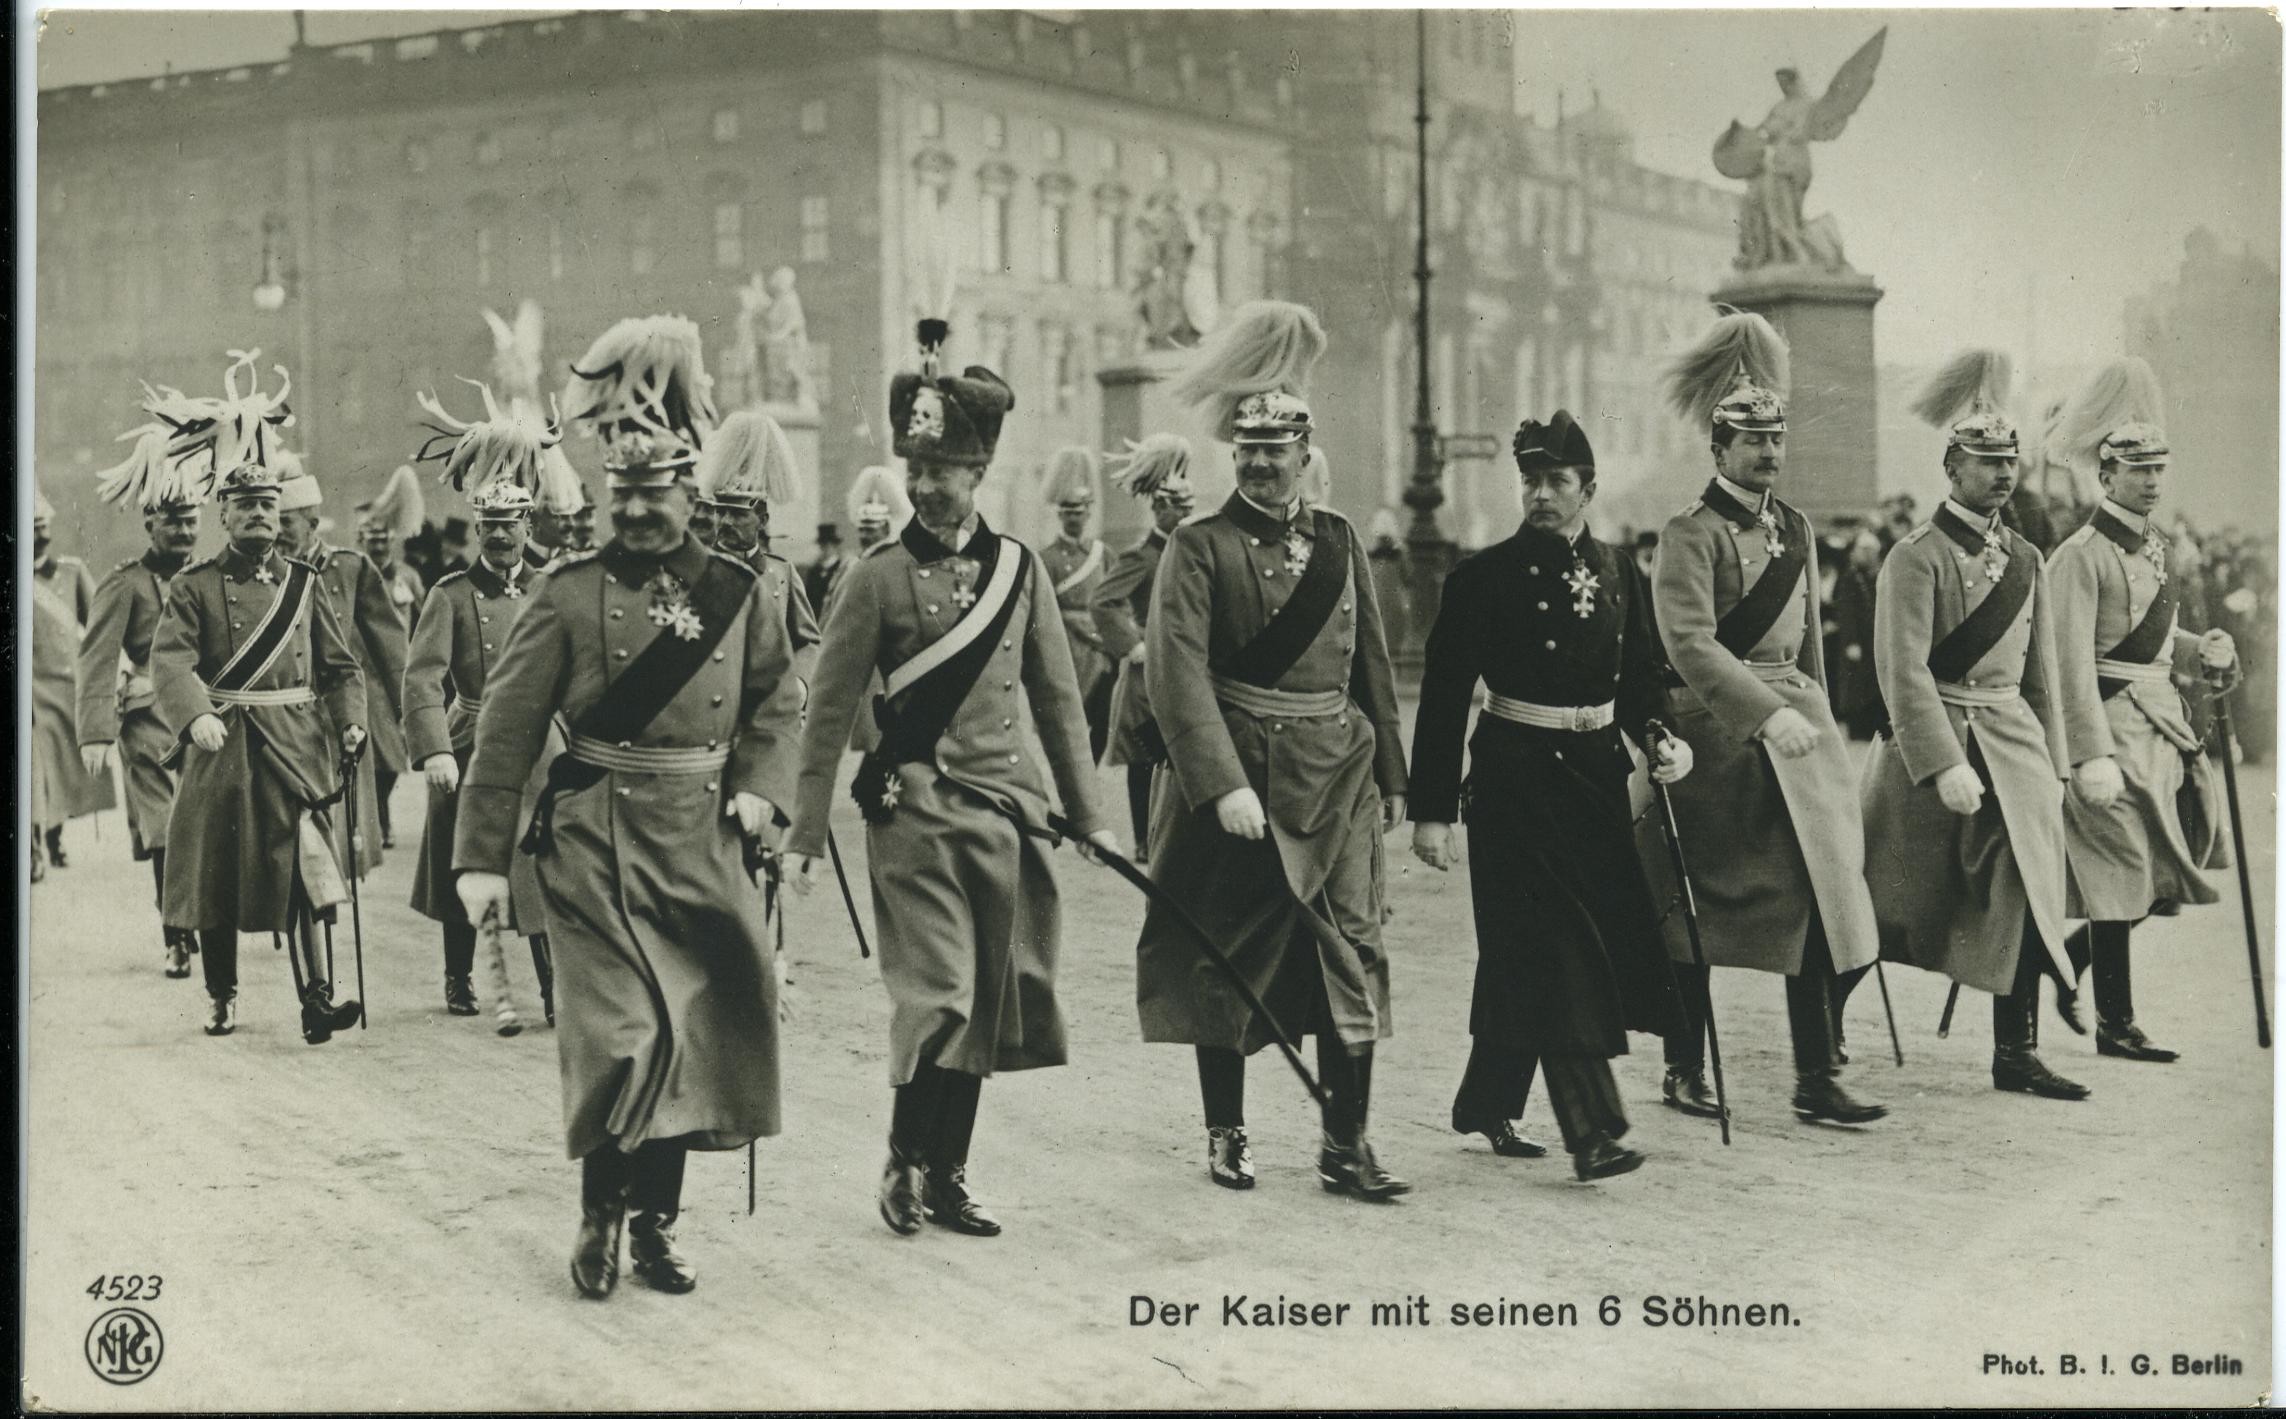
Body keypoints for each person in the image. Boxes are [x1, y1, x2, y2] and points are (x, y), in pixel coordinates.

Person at [454, 314, 806, 1299]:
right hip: (595, 843)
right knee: (624, 1037)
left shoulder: (739, 590)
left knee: (696, 1036)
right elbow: (508, 731)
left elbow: (781, 703)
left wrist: (760, 795)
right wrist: (481, 856)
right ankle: (599, 1215)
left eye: (660, 491)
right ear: (607, 492)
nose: (643, 510)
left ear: (689, 491)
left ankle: (656, 1225)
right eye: (628, 492)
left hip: (703, 836)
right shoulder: (567, 594)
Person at [785, 316, 1113, 1240]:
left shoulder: (1018, 571)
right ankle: (902, 1157)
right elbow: (826, 719)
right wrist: (806, 836)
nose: (927, 486)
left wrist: (1090, 816)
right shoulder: (875, 579)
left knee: (994, 997)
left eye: (945, 471)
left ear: (979, 475)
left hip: (1009, 816)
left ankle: (948, 1173)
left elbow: (1058, 703)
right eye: (916, 469)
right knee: (943, 995)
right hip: (916, 814)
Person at [1139, 300, 1411, 1200]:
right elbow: (1176, 676)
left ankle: (1348, 1143)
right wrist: (1217, 784)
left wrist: (1396, 778)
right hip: (1242, 781)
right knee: (1230, 953)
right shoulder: (1198, 544)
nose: (1261, 461)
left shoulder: (1337, 541)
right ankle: (1227, 1130)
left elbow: (1370, 661)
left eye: (1278, 447)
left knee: (1354, 949)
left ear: (1305, 452)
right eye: (1247, 448)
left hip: (1338, 776)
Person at [1409, 411, 1691, 1181]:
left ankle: (1488, 1099)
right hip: (1514, 782)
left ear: (1588, 489)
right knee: (1560, 950)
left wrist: (1660, 735)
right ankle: (1593, 1128)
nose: (1539, 494)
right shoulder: (1482, 577)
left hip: (1596, 780)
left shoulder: (1620, 571)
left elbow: (1640, 677)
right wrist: (1431, 811)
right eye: (1529, 480)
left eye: (1556, 481)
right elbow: (1441, 697)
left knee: (1533, 952)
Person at [1650, 309, 1887, 1127]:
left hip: (1799, 736)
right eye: (1753, 442)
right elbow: (1687, 643)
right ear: (1719, 449)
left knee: (1826, 899)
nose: (1770, 454)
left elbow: (1809, 648)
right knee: (1699, 918)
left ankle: (1815, 1077)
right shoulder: (1690, 533)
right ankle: (1684, 1064)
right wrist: (1761, 714)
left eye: (1777, 440)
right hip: (1718, 742)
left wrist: (1820, 723)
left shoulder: (1796, 528)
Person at [114, 352, 369, 1042]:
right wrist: (194, 714)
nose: (258, 515)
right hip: (223, 746)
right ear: (223, 514)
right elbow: (170, 659)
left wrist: (350, 726)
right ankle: (221, 993)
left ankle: (318, 998)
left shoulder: (304, 583)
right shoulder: (195, 586)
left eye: (267, 505)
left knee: (311, 873)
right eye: (244, 506)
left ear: (279, 514)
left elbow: (342, 668)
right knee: (219, 881)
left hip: (294, 746)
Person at [1864, 351, 2088, 1101]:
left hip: (2013, 745)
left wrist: (2055, 764)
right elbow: (1902, 670)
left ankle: (2015, 1052)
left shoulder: (2026, 557)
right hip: (1934, 751)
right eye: (1985, 460)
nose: (2001, 474)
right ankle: (1822, 1020)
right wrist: (1940, 757)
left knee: (2021, 889)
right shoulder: (1914, 557)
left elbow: (2040, 677)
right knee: (1891, 901)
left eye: (2008, 461)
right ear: (1951, 467)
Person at [2045, 357, 2235, 1064]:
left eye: (2159, 468)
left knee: (2169, 863)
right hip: (2109, 729)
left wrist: (2202, 646)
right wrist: (2087, 752)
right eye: (2137, 470)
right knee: (2124, 869)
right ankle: (2115, 1022)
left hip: (2162, 724)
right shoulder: (2079, 555)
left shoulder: (2155, 547)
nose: (2152, 481)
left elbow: (2154, 639)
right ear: (2106, 476)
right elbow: (2067, 659)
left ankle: (2063, 959)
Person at [407, 381, 583, 1023]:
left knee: (542, 864)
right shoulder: (450, 595)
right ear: (478, 529)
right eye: (490, 528)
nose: (500, 538)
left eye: (510, 527)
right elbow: (422, 676)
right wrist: (432, 750)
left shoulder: (550, 589)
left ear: (529, 526)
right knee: (466, 859)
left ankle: (551, 988)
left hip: (540, 743)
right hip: (470, 738)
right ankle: (459, 978)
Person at [77, 475, 207, 975]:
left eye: (191, 520)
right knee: (165, 829)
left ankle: (205, 920)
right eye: (172, 520)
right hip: (149, 719)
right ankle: (175, 934)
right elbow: (96, 656)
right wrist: (94, 733)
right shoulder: (126, 583)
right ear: (150, 522)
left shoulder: (211, 577)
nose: (183, 530)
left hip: (207, 716)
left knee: (207, 824)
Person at [275, 451, 408, 860]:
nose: (276, 532)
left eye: (285, 522)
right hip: (281, 712)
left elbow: (392, 647)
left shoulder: (350, 568)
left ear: (313, 525)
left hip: (336, 713)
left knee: (337, 824)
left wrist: (411, 715)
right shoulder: (269, 573)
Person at [1092, 435, 1196, 860]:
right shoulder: (1141, 556)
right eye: (1177, 508)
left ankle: (1172, 836)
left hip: (1185, 667)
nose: (1185, 515)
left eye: (1189, 507)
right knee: (1144, 757)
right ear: (1158, 508)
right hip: (1146, 671)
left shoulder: (1192, 552)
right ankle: (1143, 840)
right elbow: (1102, 601)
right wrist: (1131, 643)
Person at [688, 409, 823, 668]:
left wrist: (800, 688)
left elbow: (806, 644)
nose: (726, 521)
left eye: (738, 514)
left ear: (762, 521)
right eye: (721, 512)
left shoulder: (782, 573)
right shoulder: (695, 569)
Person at [30, 490, 116, 879]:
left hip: (65, 684)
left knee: (60, 765)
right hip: (29, 687)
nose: (39, 534)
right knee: (37, 763)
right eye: (33, 528)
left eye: (43, 527)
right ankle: (37, 841)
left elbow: (98, 623)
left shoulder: (70, 570)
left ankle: (53, 833)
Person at [1039, 447, 1114, 761]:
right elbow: (1043, 609)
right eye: (1068, 510)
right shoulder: (1047, 558)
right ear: (1059, 513)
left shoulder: (1103, 554)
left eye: (1080, 510)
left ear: (1089, 512)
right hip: (1067, 648)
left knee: (1103, 719)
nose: (1074, 517)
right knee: (1068, 724)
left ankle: (1090, 777)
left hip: (1099, 652)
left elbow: (1115, 601)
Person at [803, 522, 847, 616]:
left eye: (828, 544)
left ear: (835, 545)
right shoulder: (814, 571)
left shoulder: (843, 570)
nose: (825, 548)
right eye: (822, 544)